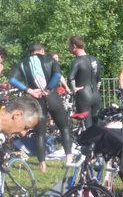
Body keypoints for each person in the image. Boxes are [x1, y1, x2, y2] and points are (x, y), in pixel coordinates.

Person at [7, 42, 73, 171]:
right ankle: (69, 159)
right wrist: (48, 89)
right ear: (42, 51)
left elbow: (12, 80)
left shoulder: (22, 63)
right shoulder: (50, 60)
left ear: (30, 52)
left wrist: (29, 90)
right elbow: (57, 75)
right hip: (52, 97)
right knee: (64, 127)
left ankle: (42, 164)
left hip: (36, 99)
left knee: (40, 133)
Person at [67, 36, 102, 128]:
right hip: (96, 94)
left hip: (83, 95)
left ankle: (88, 138)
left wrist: (74, 89)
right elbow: (99, 80)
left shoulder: (77, 61)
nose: (69, 48)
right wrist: (96, 89)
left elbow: (70, 78)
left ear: (74, 46)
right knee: (98, 124)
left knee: (87, 125)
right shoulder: (95, 59)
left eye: (69, 46)